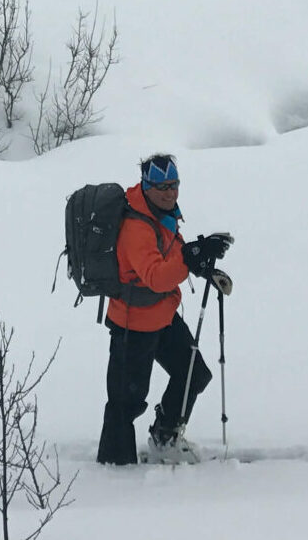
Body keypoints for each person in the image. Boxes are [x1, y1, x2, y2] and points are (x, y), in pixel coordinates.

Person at [96, 154, 232, 466]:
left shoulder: (163, 215)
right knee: (125, 403)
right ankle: (114, 471)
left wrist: (200, 263)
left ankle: (165, 437)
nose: (170, 193)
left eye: (174, 185)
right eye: (161, 187)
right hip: (134, 323)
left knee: (193, 373)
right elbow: (157, 277)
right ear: (146, 187)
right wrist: (191, 256)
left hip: (162, 315)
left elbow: (172, 257)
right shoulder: (136, 227)